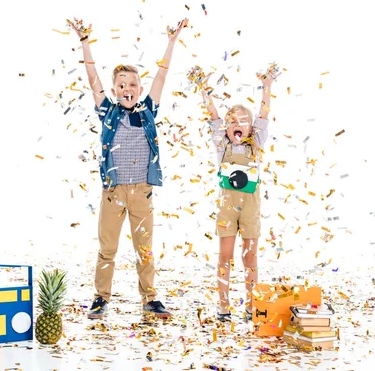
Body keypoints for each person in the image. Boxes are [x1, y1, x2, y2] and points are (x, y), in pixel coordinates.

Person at [68, 17, 188, 319]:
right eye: (121, 85)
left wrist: (171, 41)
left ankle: (150, 298)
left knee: (144, 249)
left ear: (139, 87)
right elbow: (92, 77)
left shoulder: (148, 111)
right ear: (114, 90)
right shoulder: (107, 111)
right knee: (107, 248)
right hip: (113, 191)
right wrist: (84, 40)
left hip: (142, 192)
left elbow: (162, 76)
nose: (127, 88)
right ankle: (101, 298)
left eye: (133, 84)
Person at [200, 65, 279, 322]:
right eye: (232, 120)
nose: (238, 124)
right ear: (225, 127)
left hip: (251, 207)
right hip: (227, 207)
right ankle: (223, 306)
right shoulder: (221, 143)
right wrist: (204, 88)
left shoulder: (256, 142)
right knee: (225, 255)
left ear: (250, 127)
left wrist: (267, 86)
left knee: (250, 255)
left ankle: (251, 304)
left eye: (244, 121)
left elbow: (264, 114)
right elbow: (211, 114)